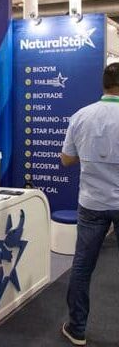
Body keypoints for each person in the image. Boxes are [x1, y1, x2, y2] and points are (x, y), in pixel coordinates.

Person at [60, 62, 119, 346]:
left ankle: (77, 328)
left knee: (82, 267)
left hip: (92, 202)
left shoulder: (81, 116)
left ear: (103, 84)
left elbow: (66, 159)